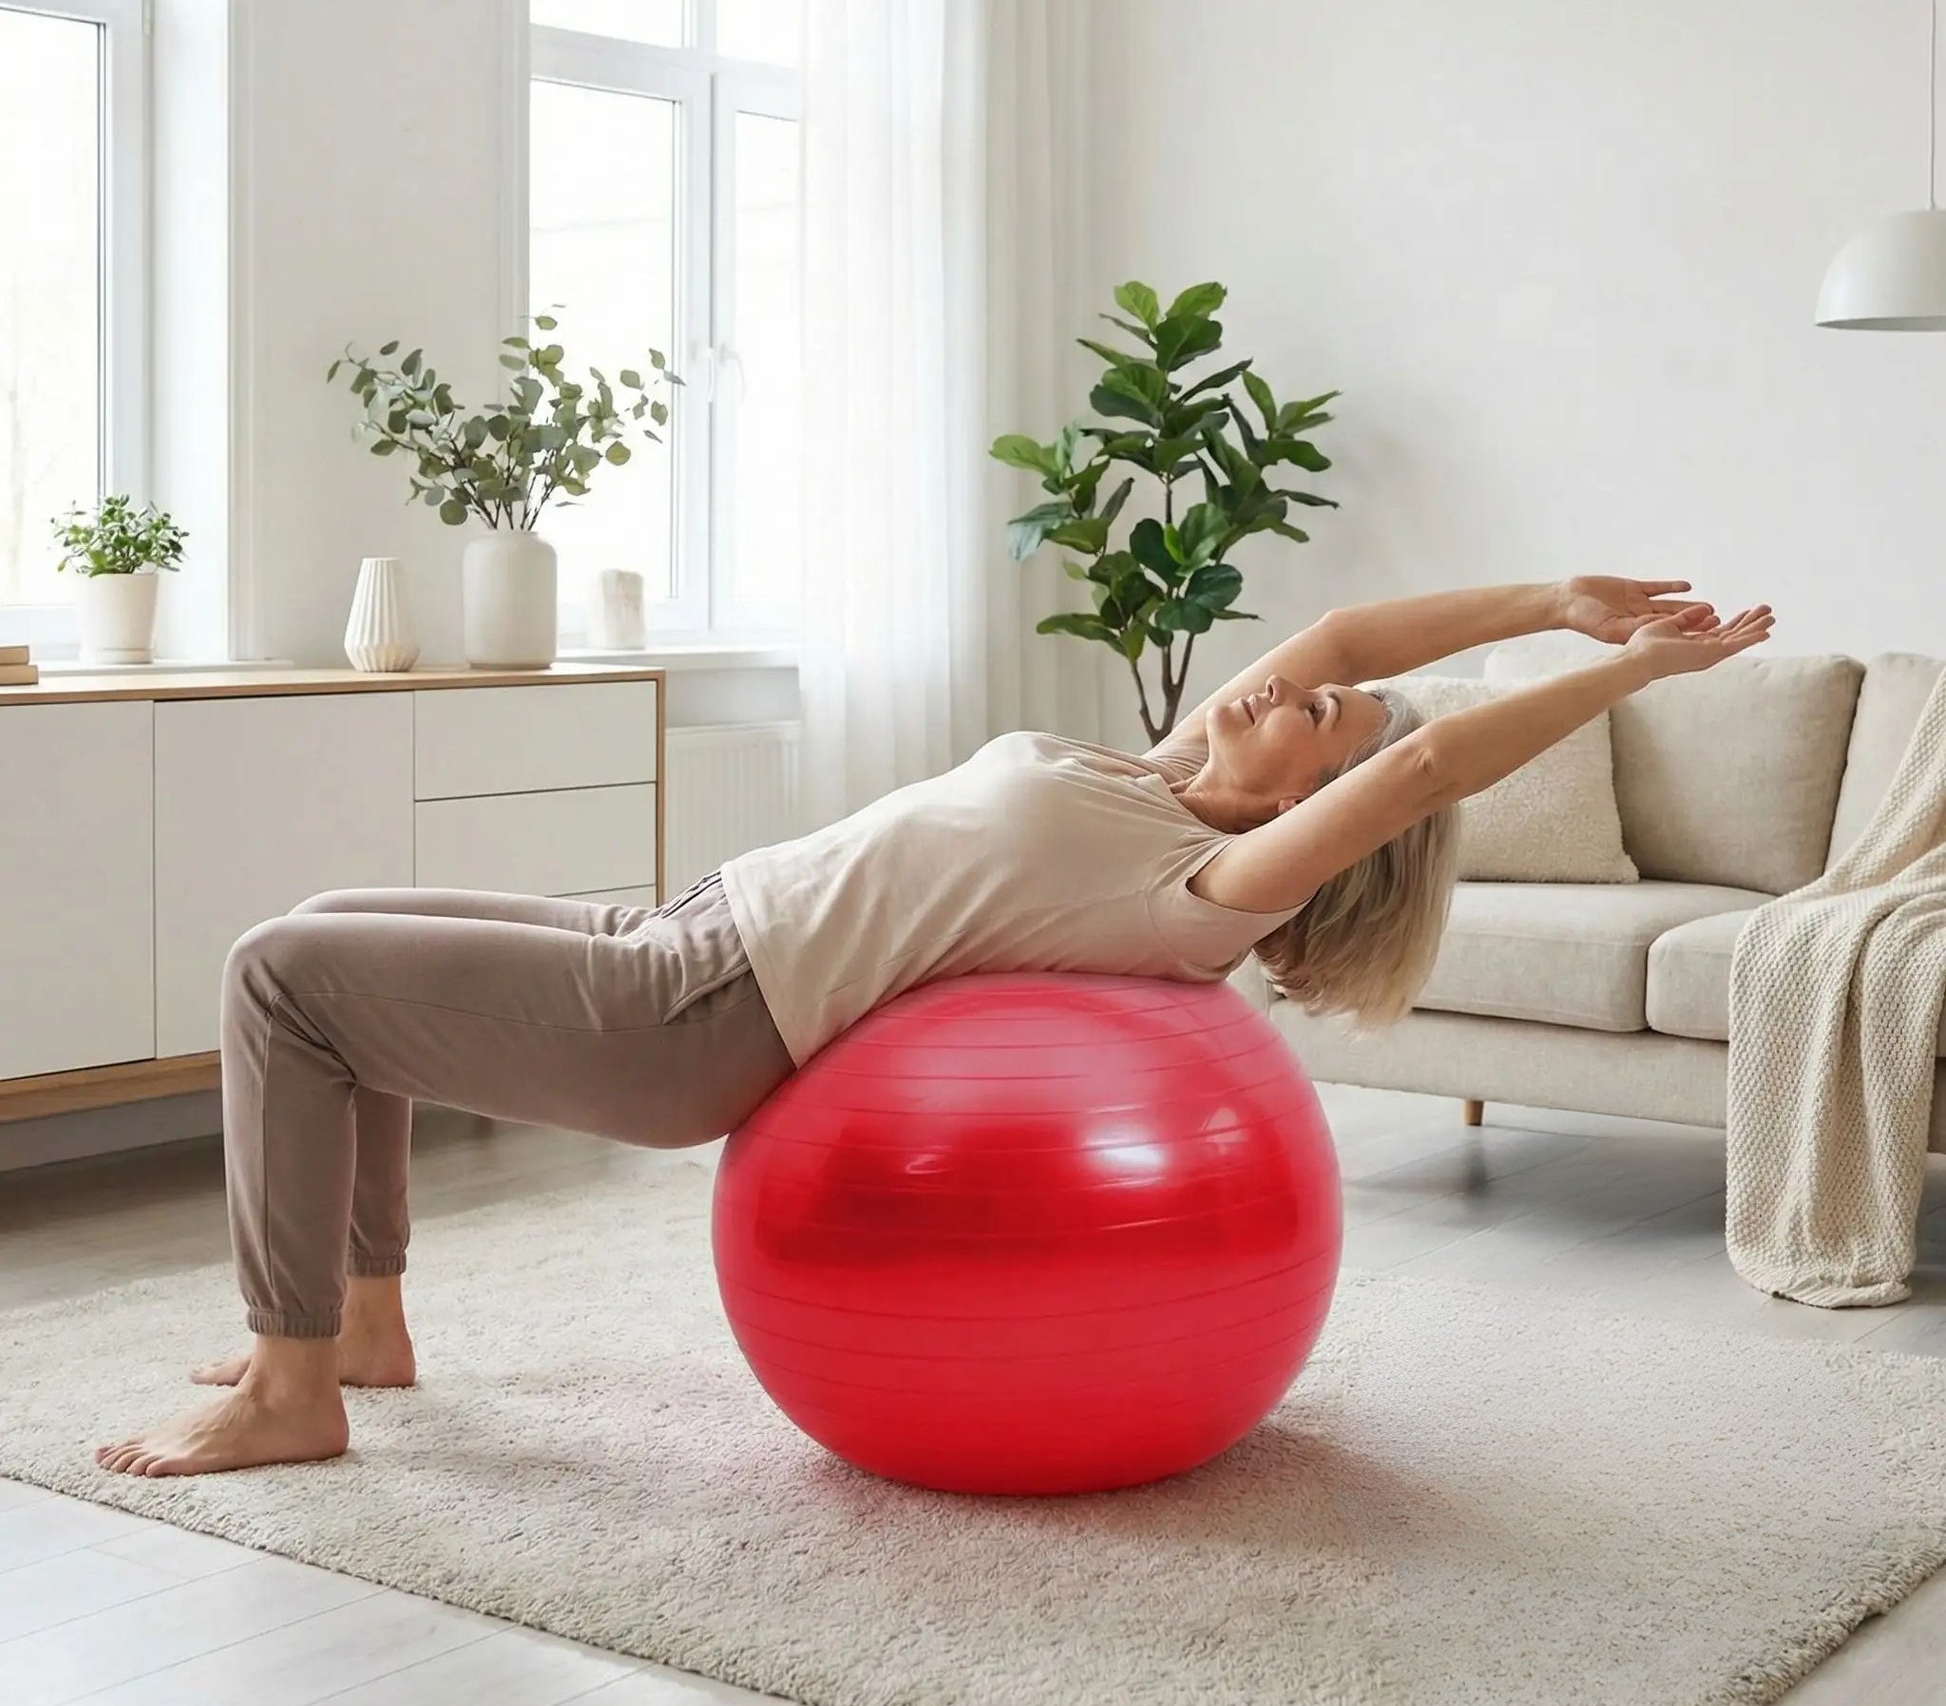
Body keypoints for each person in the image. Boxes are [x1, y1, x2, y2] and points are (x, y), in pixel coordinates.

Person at [94, 574, 1772, 1476]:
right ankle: (362, 1325)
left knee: (272, 973)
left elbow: (1418, 764)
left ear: (1320, 810)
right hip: (684, 920)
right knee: (322, 937)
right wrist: (1555, 597)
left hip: (693, 1010)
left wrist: (1630, 679)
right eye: (1294, 680)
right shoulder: (1171, 763)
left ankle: (292, 1384)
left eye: (1309, 716)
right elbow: (1350, 647)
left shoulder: (1212, 882)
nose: (1287, 675)